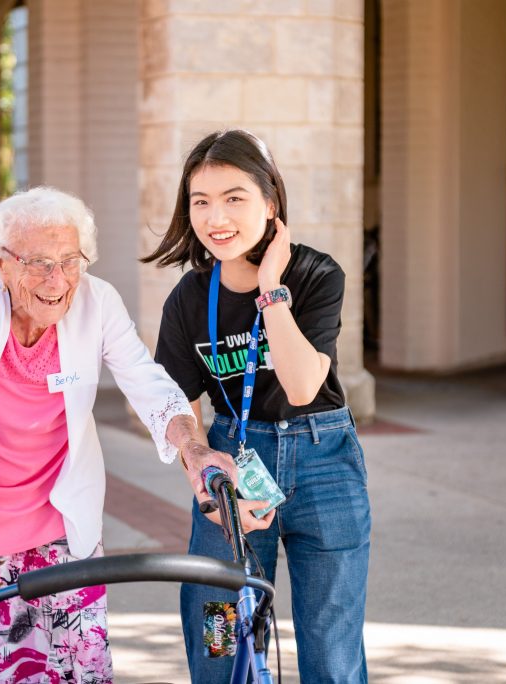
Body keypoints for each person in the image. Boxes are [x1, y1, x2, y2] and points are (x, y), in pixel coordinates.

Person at [0, 186, 237, 684]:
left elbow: (149, 384)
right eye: (40, 263)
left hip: (61, 519)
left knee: (76, 670)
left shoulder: (97, 302)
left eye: (71, 261)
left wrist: (192, 448)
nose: (58, 279)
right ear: (2, 265)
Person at [143, 129, 372, 683]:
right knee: (219, 638)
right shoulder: (190, 299)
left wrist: (271, 287)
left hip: (324, 460)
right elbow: (174, 404)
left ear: (270, 202)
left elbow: (300, 387)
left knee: (330, 649)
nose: (214, 216)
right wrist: (201, 471)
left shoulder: (316, 275)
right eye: (201, 202)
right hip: (233, 463)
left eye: (234, 198)